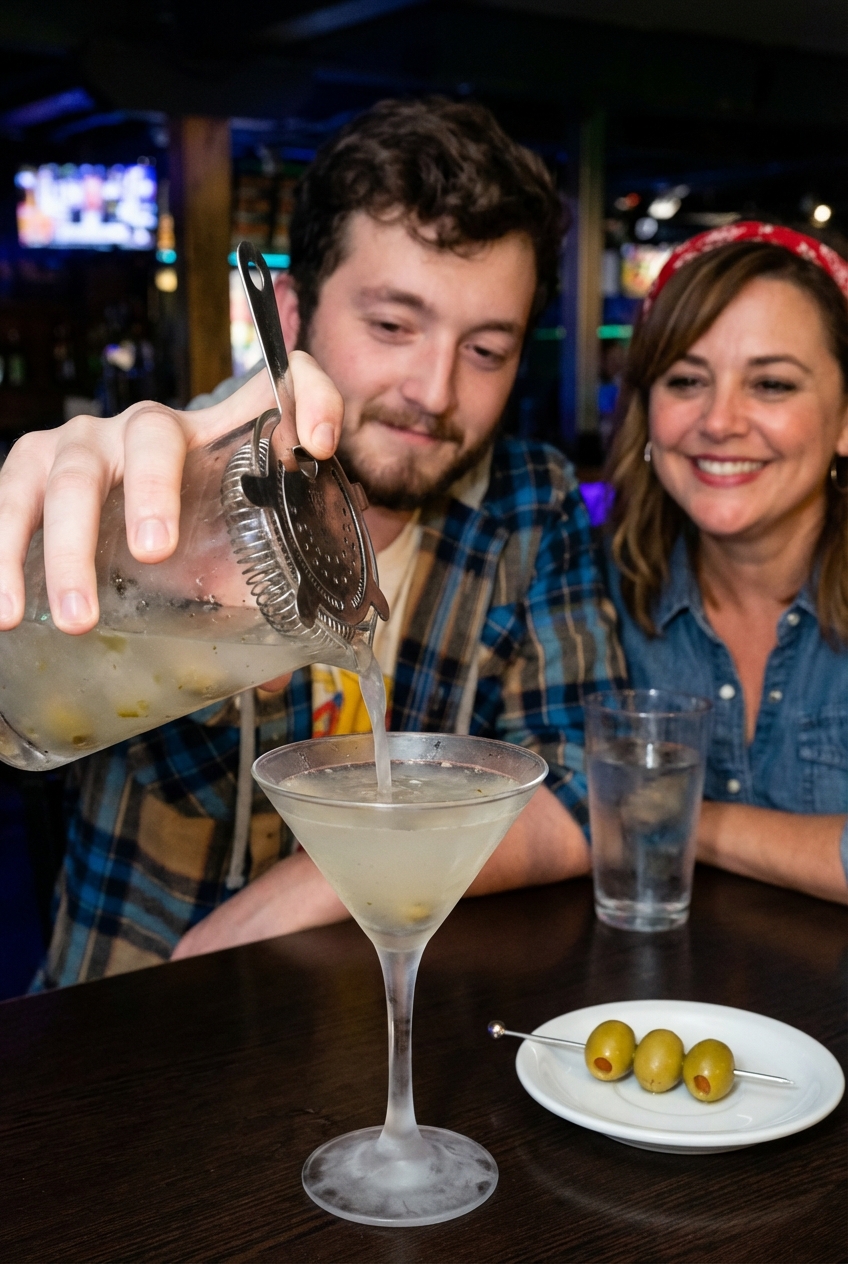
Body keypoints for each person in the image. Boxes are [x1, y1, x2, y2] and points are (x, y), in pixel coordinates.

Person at [0, 98, 625, 987]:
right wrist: (60, 541)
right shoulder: (155, 478)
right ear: (288, 313)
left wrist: (312, 883)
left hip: (382, 1036)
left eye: (487, 349)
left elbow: (589, 796)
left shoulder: (532, 507)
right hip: (127, 1037)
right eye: (392, 326)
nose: (435, 392)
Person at [605, 222, 848, 904]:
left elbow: (608, 820)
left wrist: (686, 819)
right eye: (686, 380)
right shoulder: (595, 590)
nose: (719, 421)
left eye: (771, 384)